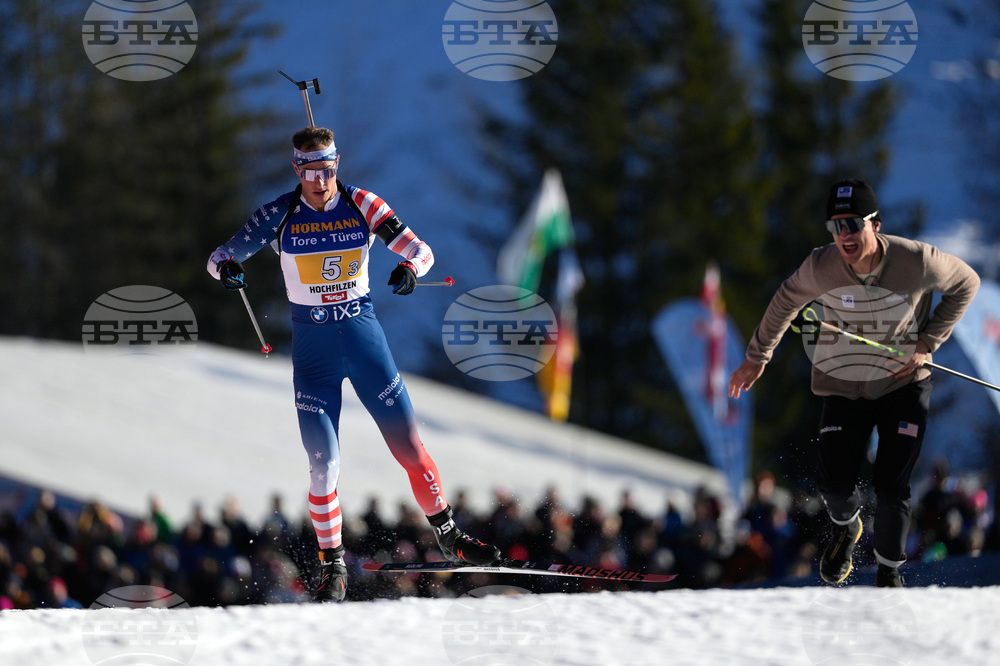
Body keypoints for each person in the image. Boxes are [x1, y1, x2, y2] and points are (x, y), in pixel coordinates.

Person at [207, 126, 499, 602]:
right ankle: (333, 566)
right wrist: (229, 269)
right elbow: (219, 257)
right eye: (309, 171)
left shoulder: (363, 203)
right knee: (323, 466)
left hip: (364, 341)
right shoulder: (279, 213)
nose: (319, 180)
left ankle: (448, 535)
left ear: (336, 165)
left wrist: (408, 268)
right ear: (296, 169)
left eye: (326, 169)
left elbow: (420, 251)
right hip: (314, 353)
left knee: (409, 448)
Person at [728, 179, 980, 588]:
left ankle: (889, 573)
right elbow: (785, 300)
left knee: (891, 484)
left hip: (904, 383)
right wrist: (757, 356)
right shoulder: (821, 265)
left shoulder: (917, 261)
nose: (843, 235)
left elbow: (966, 283)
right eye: (835, 226)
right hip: (843, 384)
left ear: (875, 224)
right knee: (834, 483)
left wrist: (926, 340)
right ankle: (846, 527)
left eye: (852, 224)